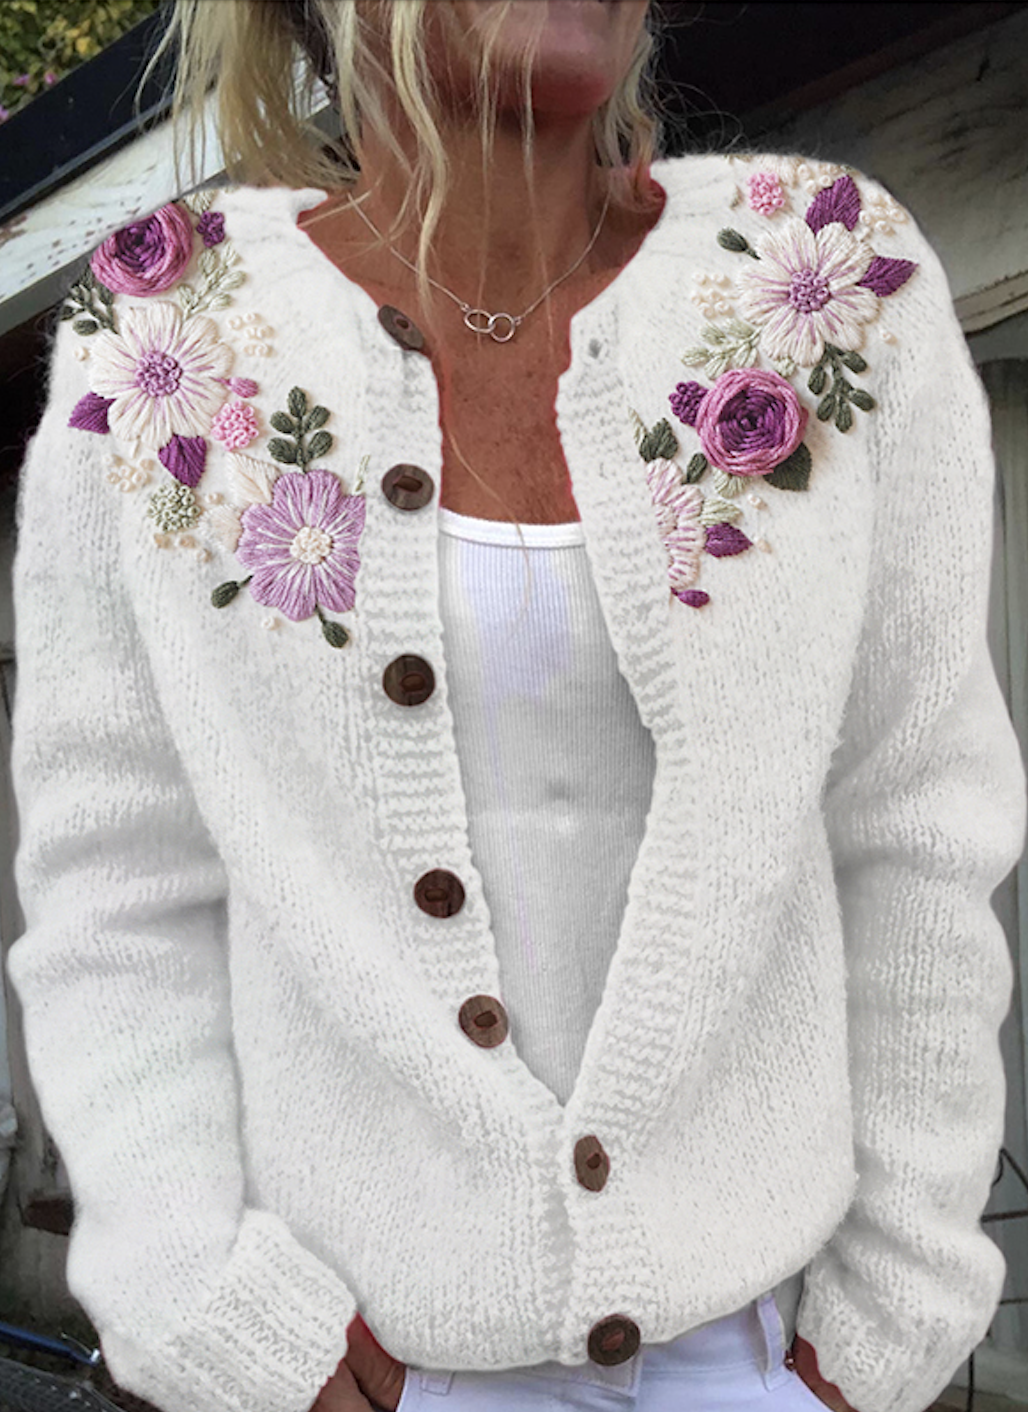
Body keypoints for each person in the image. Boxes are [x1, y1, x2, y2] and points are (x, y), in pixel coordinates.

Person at [7, 1, 1025, 1411]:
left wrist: (887, 1327)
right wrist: (205, 1306)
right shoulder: (166, 326)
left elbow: (914, 825)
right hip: (348, 1359)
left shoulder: (826, 273)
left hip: (765, 1356)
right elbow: (116, 888)